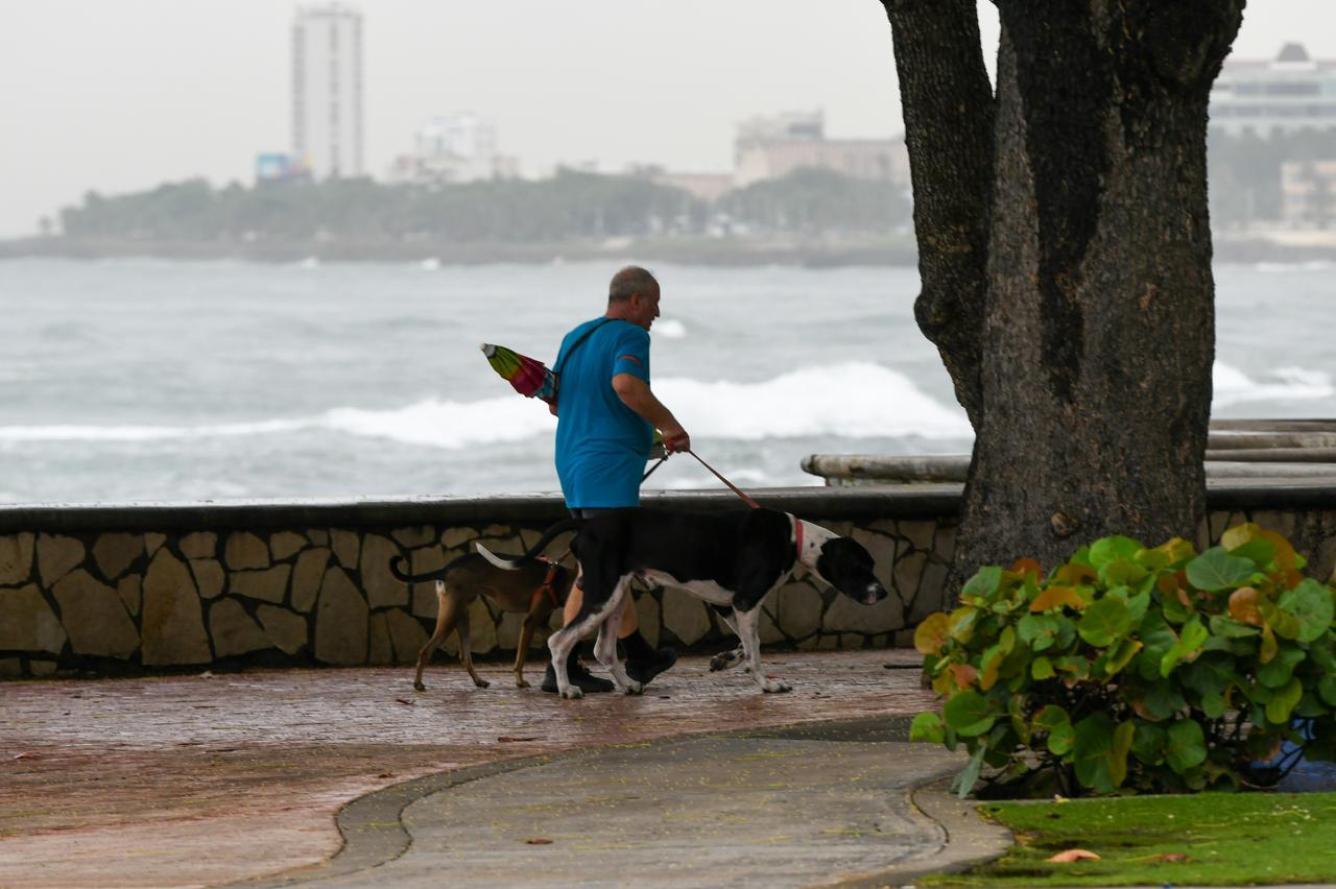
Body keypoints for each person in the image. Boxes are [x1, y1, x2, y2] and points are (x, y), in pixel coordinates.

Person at [541, 265, 690, 694]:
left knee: (605, 563)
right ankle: (565, 666)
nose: (657, 315)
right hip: (606, 469)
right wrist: (670, 427)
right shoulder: (630, 336)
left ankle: (637, 654)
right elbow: (626, 385)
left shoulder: (577, 337)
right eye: (655, 305)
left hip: (572, 462)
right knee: (605, 566)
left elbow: (556, 400)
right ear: (637, 300)